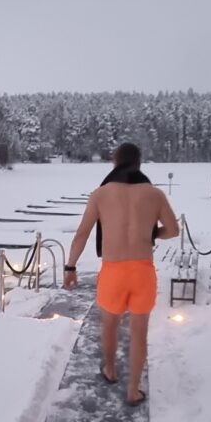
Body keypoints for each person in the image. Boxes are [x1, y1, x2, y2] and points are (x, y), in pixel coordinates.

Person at [64, 143, 179, 406]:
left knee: (110, 325)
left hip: (113, 271)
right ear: (139, 163)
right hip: (142, 271)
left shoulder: (101, 194)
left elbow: (82, 234)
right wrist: (151, 234)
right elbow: (173, 230)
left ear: (115, 162)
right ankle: (133, 390)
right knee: (139, 333)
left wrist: (70, 267)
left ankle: (110, 370)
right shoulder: (155, 194)